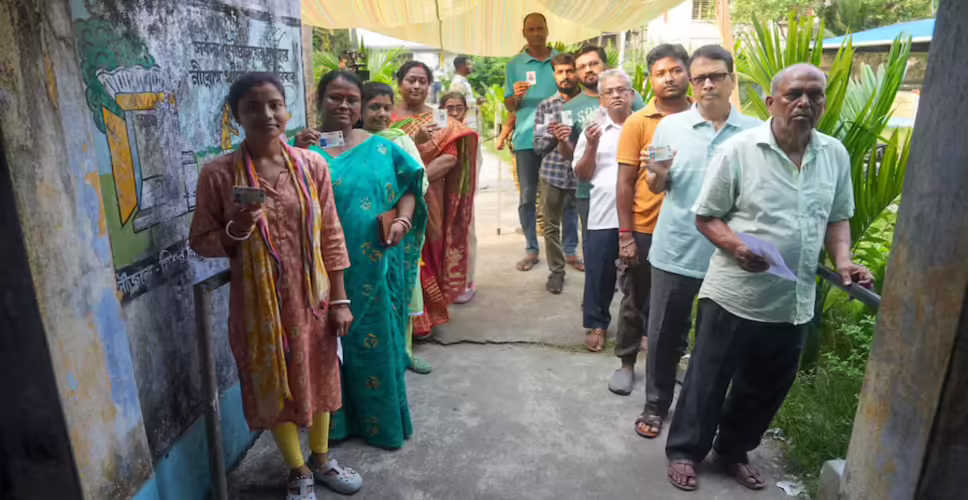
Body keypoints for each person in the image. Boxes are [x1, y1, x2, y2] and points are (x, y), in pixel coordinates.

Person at [664, 64, 874, 491]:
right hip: (734, 294)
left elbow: (837, 218)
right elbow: (707, 216)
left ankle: (732, 450)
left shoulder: (833, 153)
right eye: (794, 94)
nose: (805, 103)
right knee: (708, 378)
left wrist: (845, 260)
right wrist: (738, 247)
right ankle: (686, 450)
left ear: (824, 102)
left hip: (793, 299)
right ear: (771, 102)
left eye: (815, 95)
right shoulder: (741, 150)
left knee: (766, 386)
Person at [190, 72, 362, 498]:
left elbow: (331, 235)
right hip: (256, 305)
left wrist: (340, 299)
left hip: (313, 299)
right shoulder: (219, 174)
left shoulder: (312, 165)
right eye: (253, 107)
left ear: (286, 110)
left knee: (321, 372)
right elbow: (202, 241)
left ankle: (322, 460)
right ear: (237, 117)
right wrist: (237, 227)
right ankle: (298, 469)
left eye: (274, 104)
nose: (266, 114)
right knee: (272, 381)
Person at [293, 71, 428, 450]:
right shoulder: (300, 150)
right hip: (318, 273)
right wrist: (296, 151)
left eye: (352, 99)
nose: (344, 106)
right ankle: (332, 429)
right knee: (326, 351)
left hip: (375, 268)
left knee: (375, 345)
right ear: (318, 99)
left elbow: (409, 187)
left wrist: (402, 219)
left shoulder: (382, 148)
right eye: (335, 97)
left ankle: (380, 424)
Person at [633, 45, 762, 440]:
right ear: (692, 82)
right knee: (665, 334)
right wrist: (654, 173)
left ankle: (700, 412)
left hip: (728, 257)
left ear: (731, 80)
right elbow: (658, 185)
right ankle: (655, 405)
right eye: (700, 77)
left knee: (714, 343)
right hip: (674, 250)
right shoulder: (669, 127)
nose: (708, 84)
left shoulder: (756, 132)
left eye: (716, 76)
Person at [599, 44, 691, 358]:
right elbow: (624, 183)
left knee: (680, 303)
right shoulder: (638, 122)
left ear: (688, 73)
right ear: (650, 79)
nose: (669, 78)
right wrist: (626, 236)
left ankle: (672, 360)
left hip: (689, 228)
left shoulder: (702, 120)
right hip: (646, 228)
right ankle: (626, 361)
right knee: (634, 300)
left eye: (676, 70)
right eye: (660, 73)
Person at [391, 61, 479, 340]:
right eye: (410, 80)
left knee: (428, 252)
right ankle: (401, 317)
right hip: (392, 195)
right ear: (399, 83)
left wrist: (416, 179)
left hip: (430, 196)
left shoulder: (440, 118)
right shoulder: (385, 116)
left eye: (422, 81)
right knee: (398, 251)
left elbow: (450, 155)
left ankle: (425, 317)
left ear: (429, 85)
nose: (416, 86)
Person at [358, 81, 433, 375]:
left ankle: (404, 352)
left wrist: (399, 212)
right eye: (373, 106)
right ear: (360, 108)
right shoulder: (347, 141)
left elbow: (420, 181)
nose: (380, 113)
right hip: (359, 229)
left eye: (386, 107)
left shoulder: (400, 140)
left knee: (399, 289)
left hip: (394, 229)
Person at [571, 68, 634, 354]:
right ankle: (597, 323)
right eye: (609, 91)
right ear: (601, 99)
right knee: (599, 272)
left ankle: (639, 326)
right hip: (602, 213)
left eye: (622, 90)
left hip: (640, 214)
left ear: (632, 95)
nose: (616, 95)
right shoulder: (593, 129)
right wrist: (592, 145)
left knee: (640, 274)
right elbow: (582, 175)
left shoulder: (643, 126)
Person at [505, 12, 564, 272]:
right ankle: (531, 248)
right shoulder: (515, 65)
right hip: (527, 136)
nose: (537, 33)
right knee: (528, 195)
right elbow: (508, 104)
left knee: (565, 195)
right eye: (532, 29)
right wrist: (515, 97)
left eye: (540, 28)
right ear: (524, 33)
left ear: (547, 30)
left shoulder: (560, 62)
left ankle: (569, 250)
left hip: (558, 134)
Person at [532, 53, 584, 294]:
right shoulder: (546, 106)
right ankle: (556, 272)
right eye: (560, 72)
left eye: (570, 71)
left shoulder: (590, 104)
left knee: (589, 225)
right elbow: (538, 146)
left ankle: (597, 273)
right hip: (552, 174)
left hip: (583, 176)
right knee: (551, 226)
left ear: (578, 72)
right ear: (554, 74)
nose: (565, 76)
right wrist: (554, 135)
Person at [439, 91, 483, 305]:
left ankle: (466, 281)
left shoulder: (468, 136)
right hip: (438, 194)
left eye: (459, 108)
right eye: (450, 108)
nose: (455, 112)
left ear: (466, 111)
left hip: (463, 195)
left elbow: (475, 167)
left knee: (465, 235)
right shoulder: (437, 133)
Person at [449, 55, 484, 132]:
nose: (471, 66)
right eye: (468, 64)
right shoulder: (458, 83)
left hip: (470, 121)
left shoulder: (463, 81)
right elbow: (457, 104)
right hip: (464, 123)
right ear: (461, 66)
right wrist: (476, 102)